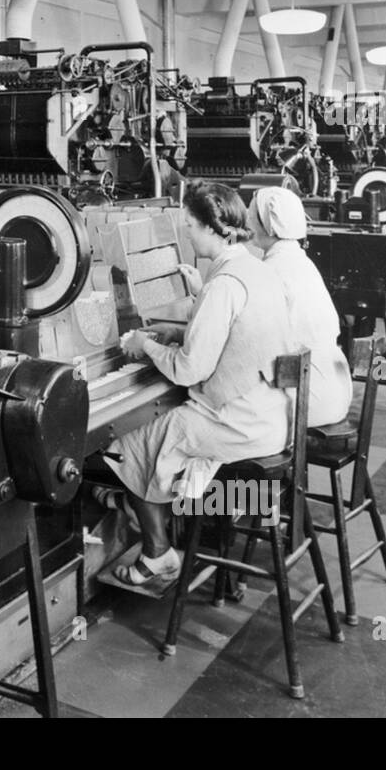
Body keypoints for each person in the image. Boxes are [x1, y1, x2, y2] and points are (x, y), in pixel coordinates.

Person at [98, 182, 294, 595]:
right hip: (270, 415)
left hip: (237, 424)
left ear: (211, 227)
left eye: (189, 225)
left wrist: (144, 344)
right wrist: (173, 332)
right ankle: (146, 518)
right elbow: (230, 336)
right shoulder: (255, 269)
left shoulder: (223, 285)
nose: (185, 232)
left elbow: (188, 371)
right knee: (160, 431)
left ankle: (157, 554)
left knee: (126, 443)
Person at [246, 188, 352, 427]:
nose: (247, 221)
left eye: (251, 215)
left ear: (270, 226)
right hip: (334, 393)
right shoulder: (302, 263)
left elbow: (249, 341)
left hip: (308, 402)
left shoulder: (272, 271)